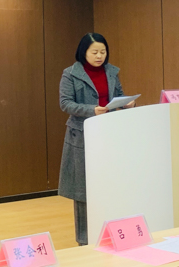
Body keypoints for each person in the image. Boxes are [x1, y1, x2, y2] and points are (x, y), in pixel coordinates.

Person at [58, 33, 135, 245]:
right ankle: (84, 240)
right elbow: (65, 103)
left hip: (108, 133)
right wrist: (91, 109)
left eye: (103, 51)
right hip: (81, 135)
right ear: (84, 52)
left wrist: (126, 103)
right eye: (95, 52)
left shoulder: (112, 71)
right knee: (83, 189)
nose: (99, 56)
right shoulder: (70, 74)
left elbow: (118, 96)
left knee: (110, 183)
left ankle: (110, 233)